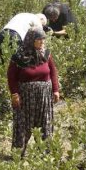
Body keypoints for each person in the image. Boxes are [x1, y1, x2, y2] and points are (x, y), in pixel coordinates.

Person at [7, 26, 60, 154]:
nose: (42, 42)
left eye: (43, 39)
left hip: (44, 95)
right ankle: (18, 153)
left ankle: (44, 151)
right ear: (31, 40)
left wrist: (55, 90)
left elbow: (53, 71)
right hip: (25, 96)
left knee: (44, 121)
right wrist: (15, 94)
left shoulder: (46, 53)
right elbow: (11, 76)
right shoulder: (19, 56)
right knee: (24, 124)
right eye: (39, 40)